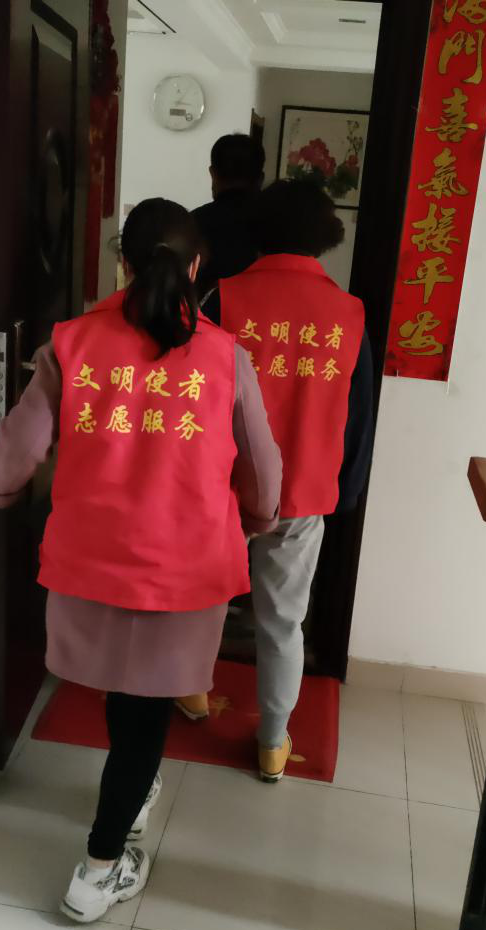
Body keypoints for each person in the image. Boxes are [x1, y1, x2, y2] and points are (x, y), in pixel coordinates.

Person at [0, 198, 281, 922]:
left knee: (128, 697)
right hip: (185, 567)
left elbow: (21, 440)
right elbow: (262, 464)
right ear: (196, 267)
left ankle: (129, 802)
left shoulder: (73, 342)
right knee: (144, 711)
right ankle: (98, 870)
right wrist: (259, 519)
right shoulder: (224, 357)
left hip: (94, 560)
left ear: (124, 264)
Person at [187, 179, 376, 783]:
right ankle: (272, 742)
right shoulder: (349, 314)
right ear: (324, 237)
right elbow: (360, 414)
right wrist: (346, 490)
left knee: (201, 601)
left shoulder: (223, 298)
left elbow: (193, 395)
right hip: (302, 494)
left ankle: (191, 692)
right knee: (283, 620)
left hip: (220, 488)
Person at [191, 133, 266, 299]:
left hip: (203, 314)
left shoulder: (191, 223)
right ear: (260, 179)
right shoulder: (279, 223)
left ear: (212, 174)